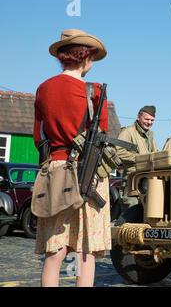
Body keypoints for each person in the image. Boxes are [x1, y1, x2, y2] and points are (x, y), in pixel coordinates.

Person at [33, 29, 110, 287]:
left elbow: (38, 137)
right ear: (85, 58)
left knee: (55, 251)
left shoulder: (43, 89)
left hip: (54, 170)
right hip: (88, 172)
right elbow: (102, 137)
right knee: (85, 252)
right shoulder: (95, 91)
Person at [116, 105, 158, 213]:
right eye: (147, 119)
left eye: (152, 120)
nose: (149, 122)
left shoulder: (150, 135)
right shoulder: (128, 132)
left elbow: (155, 154)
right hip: (132, 181)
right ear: (138, 117)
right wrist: (140, 159)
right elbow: (118, 151)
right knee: (130, 216)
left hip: (148, 181)